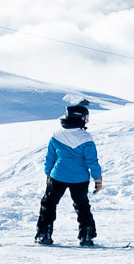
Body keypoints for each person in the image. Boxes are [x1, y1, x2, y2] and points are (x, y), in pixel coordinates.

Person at [35, 102, 103, 246]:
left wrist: (48, 173)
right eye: (86, 118)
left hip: (58, 176)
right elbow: (92, 162)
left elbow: (50, 157)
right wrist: (97, 179)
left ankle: (44, 234)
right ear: (79, 118)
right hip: (80, 179)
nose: (87, 120)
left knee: (48, 204)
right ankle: (86, 236)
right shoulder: (86, 138)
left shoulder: (57, 135)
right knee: (82, 206)